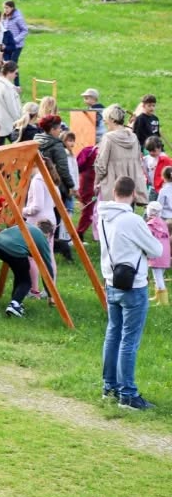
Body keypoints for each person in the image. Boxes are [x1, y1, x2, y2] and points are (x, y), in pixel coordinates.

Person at [99, 176, 161, 408]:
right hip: (133, 285)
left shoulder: (103, 217)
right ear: (133, 194)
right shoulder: (133, 221)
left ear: (114, 192)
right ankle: (128, 395)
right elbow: (156, 249)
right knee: (129, 341)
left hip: (111, 281)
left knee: (113, 335)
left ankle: (109, 387)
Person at [95, 104, 148, 204]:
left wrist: (96, 182)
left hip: (113, 189)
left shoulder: (108, 138)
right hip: (130, 189)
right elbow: (138, 163)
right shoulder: (133, 137)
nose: (104, 121)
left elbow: (101, 165)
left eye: (105, 119)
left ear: (112, 119)